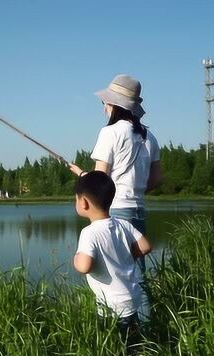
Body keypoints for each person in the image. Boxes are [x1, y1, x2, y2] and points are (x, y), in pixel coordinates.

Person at [69, 74, 162, 273]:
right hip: (138, 210)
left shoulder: (110, 132)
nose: (104, 107)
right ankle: (142, 304)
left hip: (116, 211)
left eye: (105, 102)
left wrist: (83, 175)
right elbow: (156, 179)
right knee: (136, 273)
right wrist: (133, 188)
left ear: (115, 104)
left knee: (113, 272)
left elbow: (99, 180)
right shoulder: (150, 137)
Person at [72, 171, 152, 341]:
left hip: (111, 307)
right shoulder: (123, 224)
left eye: (76, 199)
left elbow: (84, 266)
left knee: (113, 346)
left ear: (84, 203)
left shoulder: (89, 233)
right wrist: (127, 255)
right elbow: (145, 246)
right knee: (133, 342)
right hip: (133, 297)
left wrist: (76, 259)